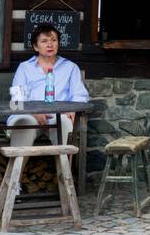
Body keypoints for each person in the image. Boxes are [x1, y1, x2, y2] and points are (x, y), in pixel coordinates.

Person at [6, 24, 91, 179]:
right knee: (23, 122)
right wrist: (33, 112)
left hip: (58, 115)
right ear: (35, 46)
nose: (50, 44)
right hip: (31, 115)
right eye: (44, 41)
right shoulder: (24, 68)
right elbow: (17, 100)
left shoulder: (70, 67)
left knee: (65, 125)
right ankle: (13, 182)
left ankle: (64, 181)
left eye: (54, 40)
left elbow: (80, 95)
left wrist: (73, 109)